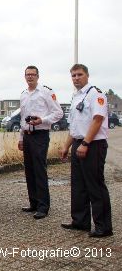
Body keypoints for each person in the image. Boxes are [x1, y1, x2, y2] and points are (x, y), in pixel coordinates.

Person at [59, 64, 113, 237]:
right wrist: (67, 146)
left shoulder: (95, 94)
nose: (76, 78)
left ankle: (103, 227)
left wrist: (86, 143)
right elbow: (74, 126)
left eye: (79, 74)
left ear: (87, 75)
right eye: (73, 75)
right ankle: (80, 221)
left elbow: (97, 120)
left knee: (95, 185)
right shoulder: (76, 96)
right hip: (78, 142)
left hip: (93, 144)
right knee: (78, 185)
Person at [18, 66, 63, 219]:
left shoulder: (46, 92)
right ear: (24, 76)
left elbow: (58, 113)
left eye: (33, 74)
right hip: (28, 135)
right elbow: (22, 118)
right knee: (29, 171)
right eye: (27, 75)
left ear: (38, 76)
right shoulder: (23, 95)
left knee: (39, 170)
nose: (30, 77)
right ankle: (34, 203)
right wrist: (21, 138)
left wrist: (42, 120)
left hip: (40, 135)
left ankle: (43, 206)